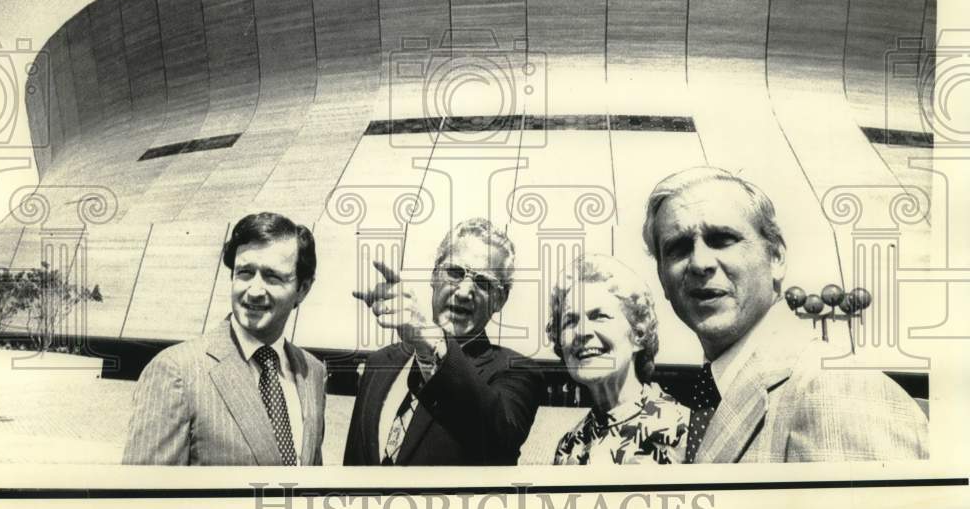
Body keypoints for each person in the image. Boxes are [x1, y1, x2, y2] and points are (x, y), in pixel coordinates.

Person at [642, 166, 929, 463]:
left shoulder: (838, 389)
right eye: (677, 248)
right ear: (662, 276)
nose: (700, 263)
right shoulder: (713, 391)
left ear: (776, 257)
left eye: (722, 239)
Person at [122, 213, 326, 465]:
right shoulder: (176, 372)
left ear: (303, 289)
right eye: (245, 273)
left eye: (272, 277)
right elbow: (144, 498)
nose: (254, 291)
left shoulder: (312, 373)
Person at [344, 218, 543, 465]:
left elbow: (498, 439)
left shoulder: (516, 372)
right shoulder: (379, 363)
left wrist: (431, 342)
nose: (463, 291)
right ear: (434, 276)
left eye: (483, 283)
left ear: (500, 300)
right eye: (455, 272)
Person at [547, 253, 688, 465]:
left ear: (638, 335)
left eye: (599, 316)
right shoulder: (568, 448)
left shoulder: (683, 431)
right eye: (570, 321)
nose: (581, 332)